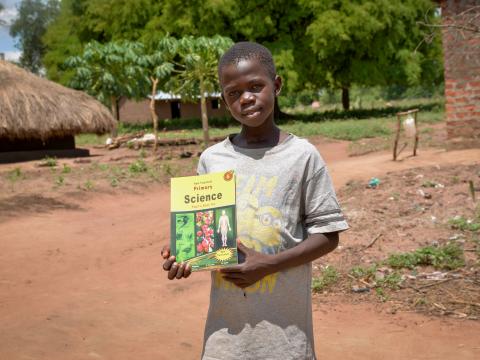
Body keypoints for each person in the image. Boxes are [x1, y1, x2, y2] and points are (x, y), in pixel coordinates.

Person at [162, 42, 349, 360]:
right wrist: (185, 253)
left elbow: (328, 235)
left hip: (286, 340)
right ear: (224, 101)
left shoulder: (302, 156)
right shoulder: (212, 159)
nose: (246, 98)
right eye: (234, 93)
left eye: (255, 87)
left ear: (276, 86)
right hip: (225, 341)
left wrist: (268, 265)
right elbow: (206, 238)